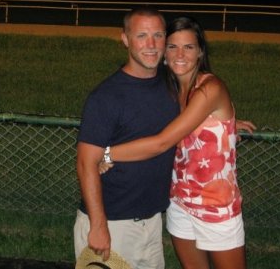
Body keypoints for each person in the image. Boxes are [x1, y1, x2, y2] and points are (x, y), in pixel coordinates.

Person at [99, 16, 255, 269]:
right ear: (163, 52)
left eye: (189, 47)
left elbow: (162, 142)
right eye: (172, 47)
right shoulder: (168, 89)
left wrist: (105, 153)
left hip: (217, 208)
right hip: (179, 203)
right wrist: (225, 127)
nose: (180, 54)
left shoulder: (210, 88)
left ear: (200, 52)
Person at [74, 6, 180, 269]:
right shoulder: (106, 97)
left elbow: (196, 111)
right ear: (125, 39)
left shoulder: (172, 84)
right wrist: (99, 227)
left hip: (152, 222)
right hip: (111, 224)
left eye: (158, 35)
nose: (152, 44)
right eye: (142, 36)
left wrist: (224, 122)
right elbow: (86, 163)